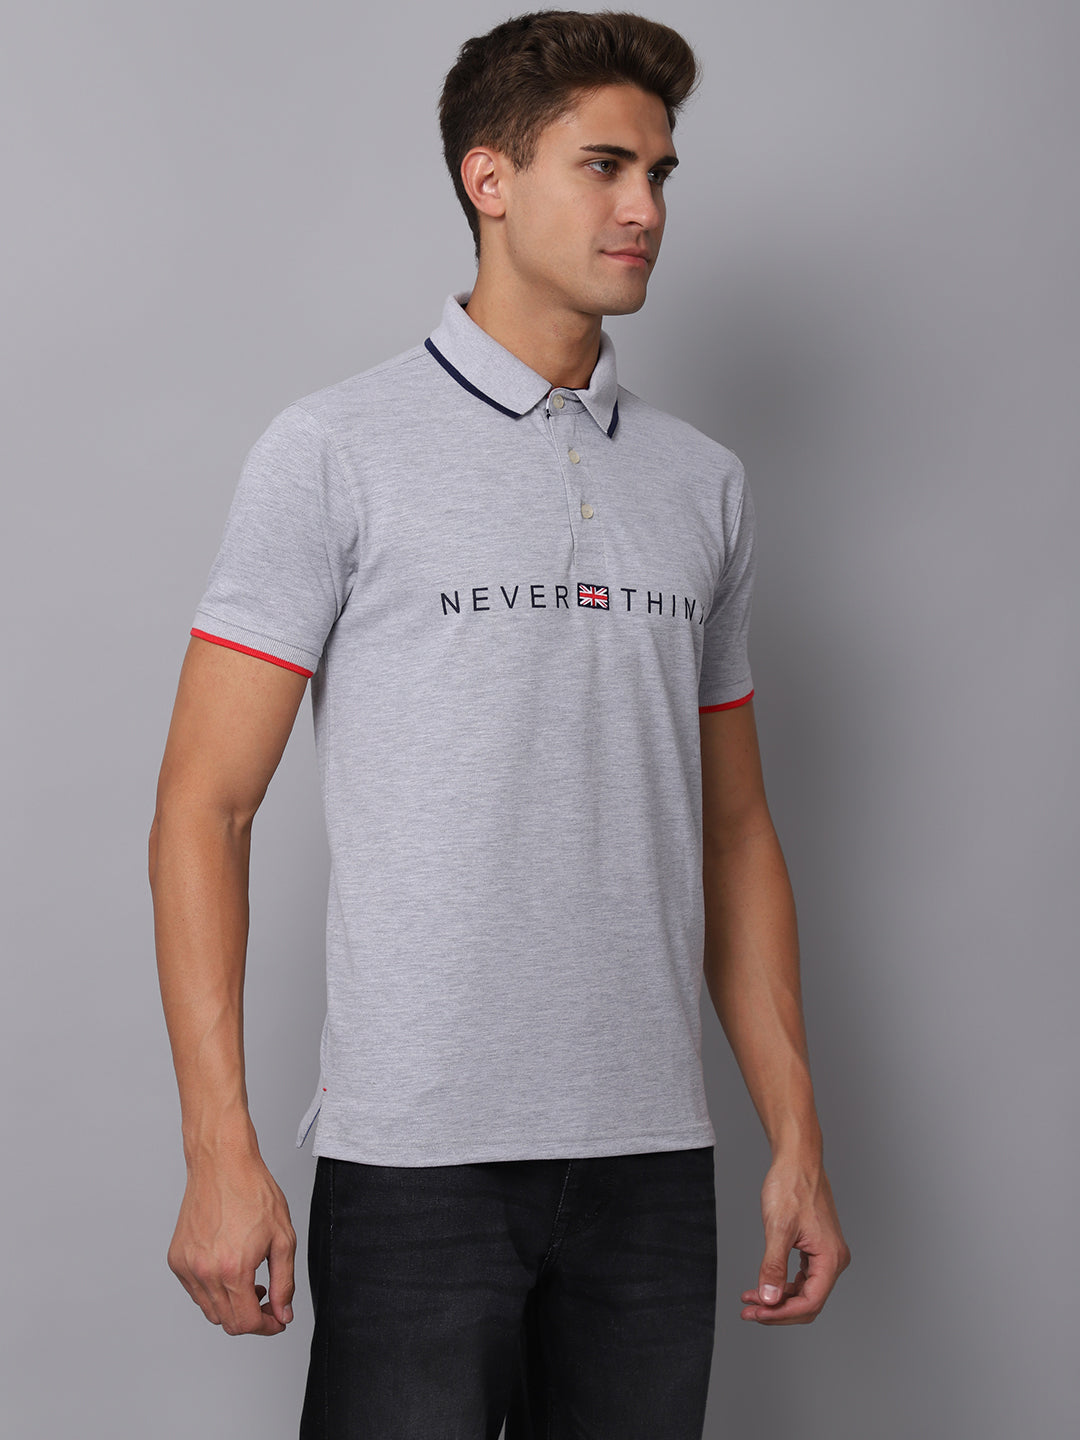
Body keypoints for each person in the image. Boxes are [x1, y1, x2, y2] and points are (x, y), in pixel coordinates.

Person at [149, 10, 850, 1438]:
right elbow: (202, 810)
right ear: (490, 179)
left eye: (660, 173)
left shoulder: (702, 484)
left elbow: (734, 833)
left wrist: (796, 1137)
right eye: (604, 166)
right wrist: (219, 1148)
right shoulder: (335, 450)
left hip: (653, 1167)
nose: (645, 209)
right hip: (419, 1165)